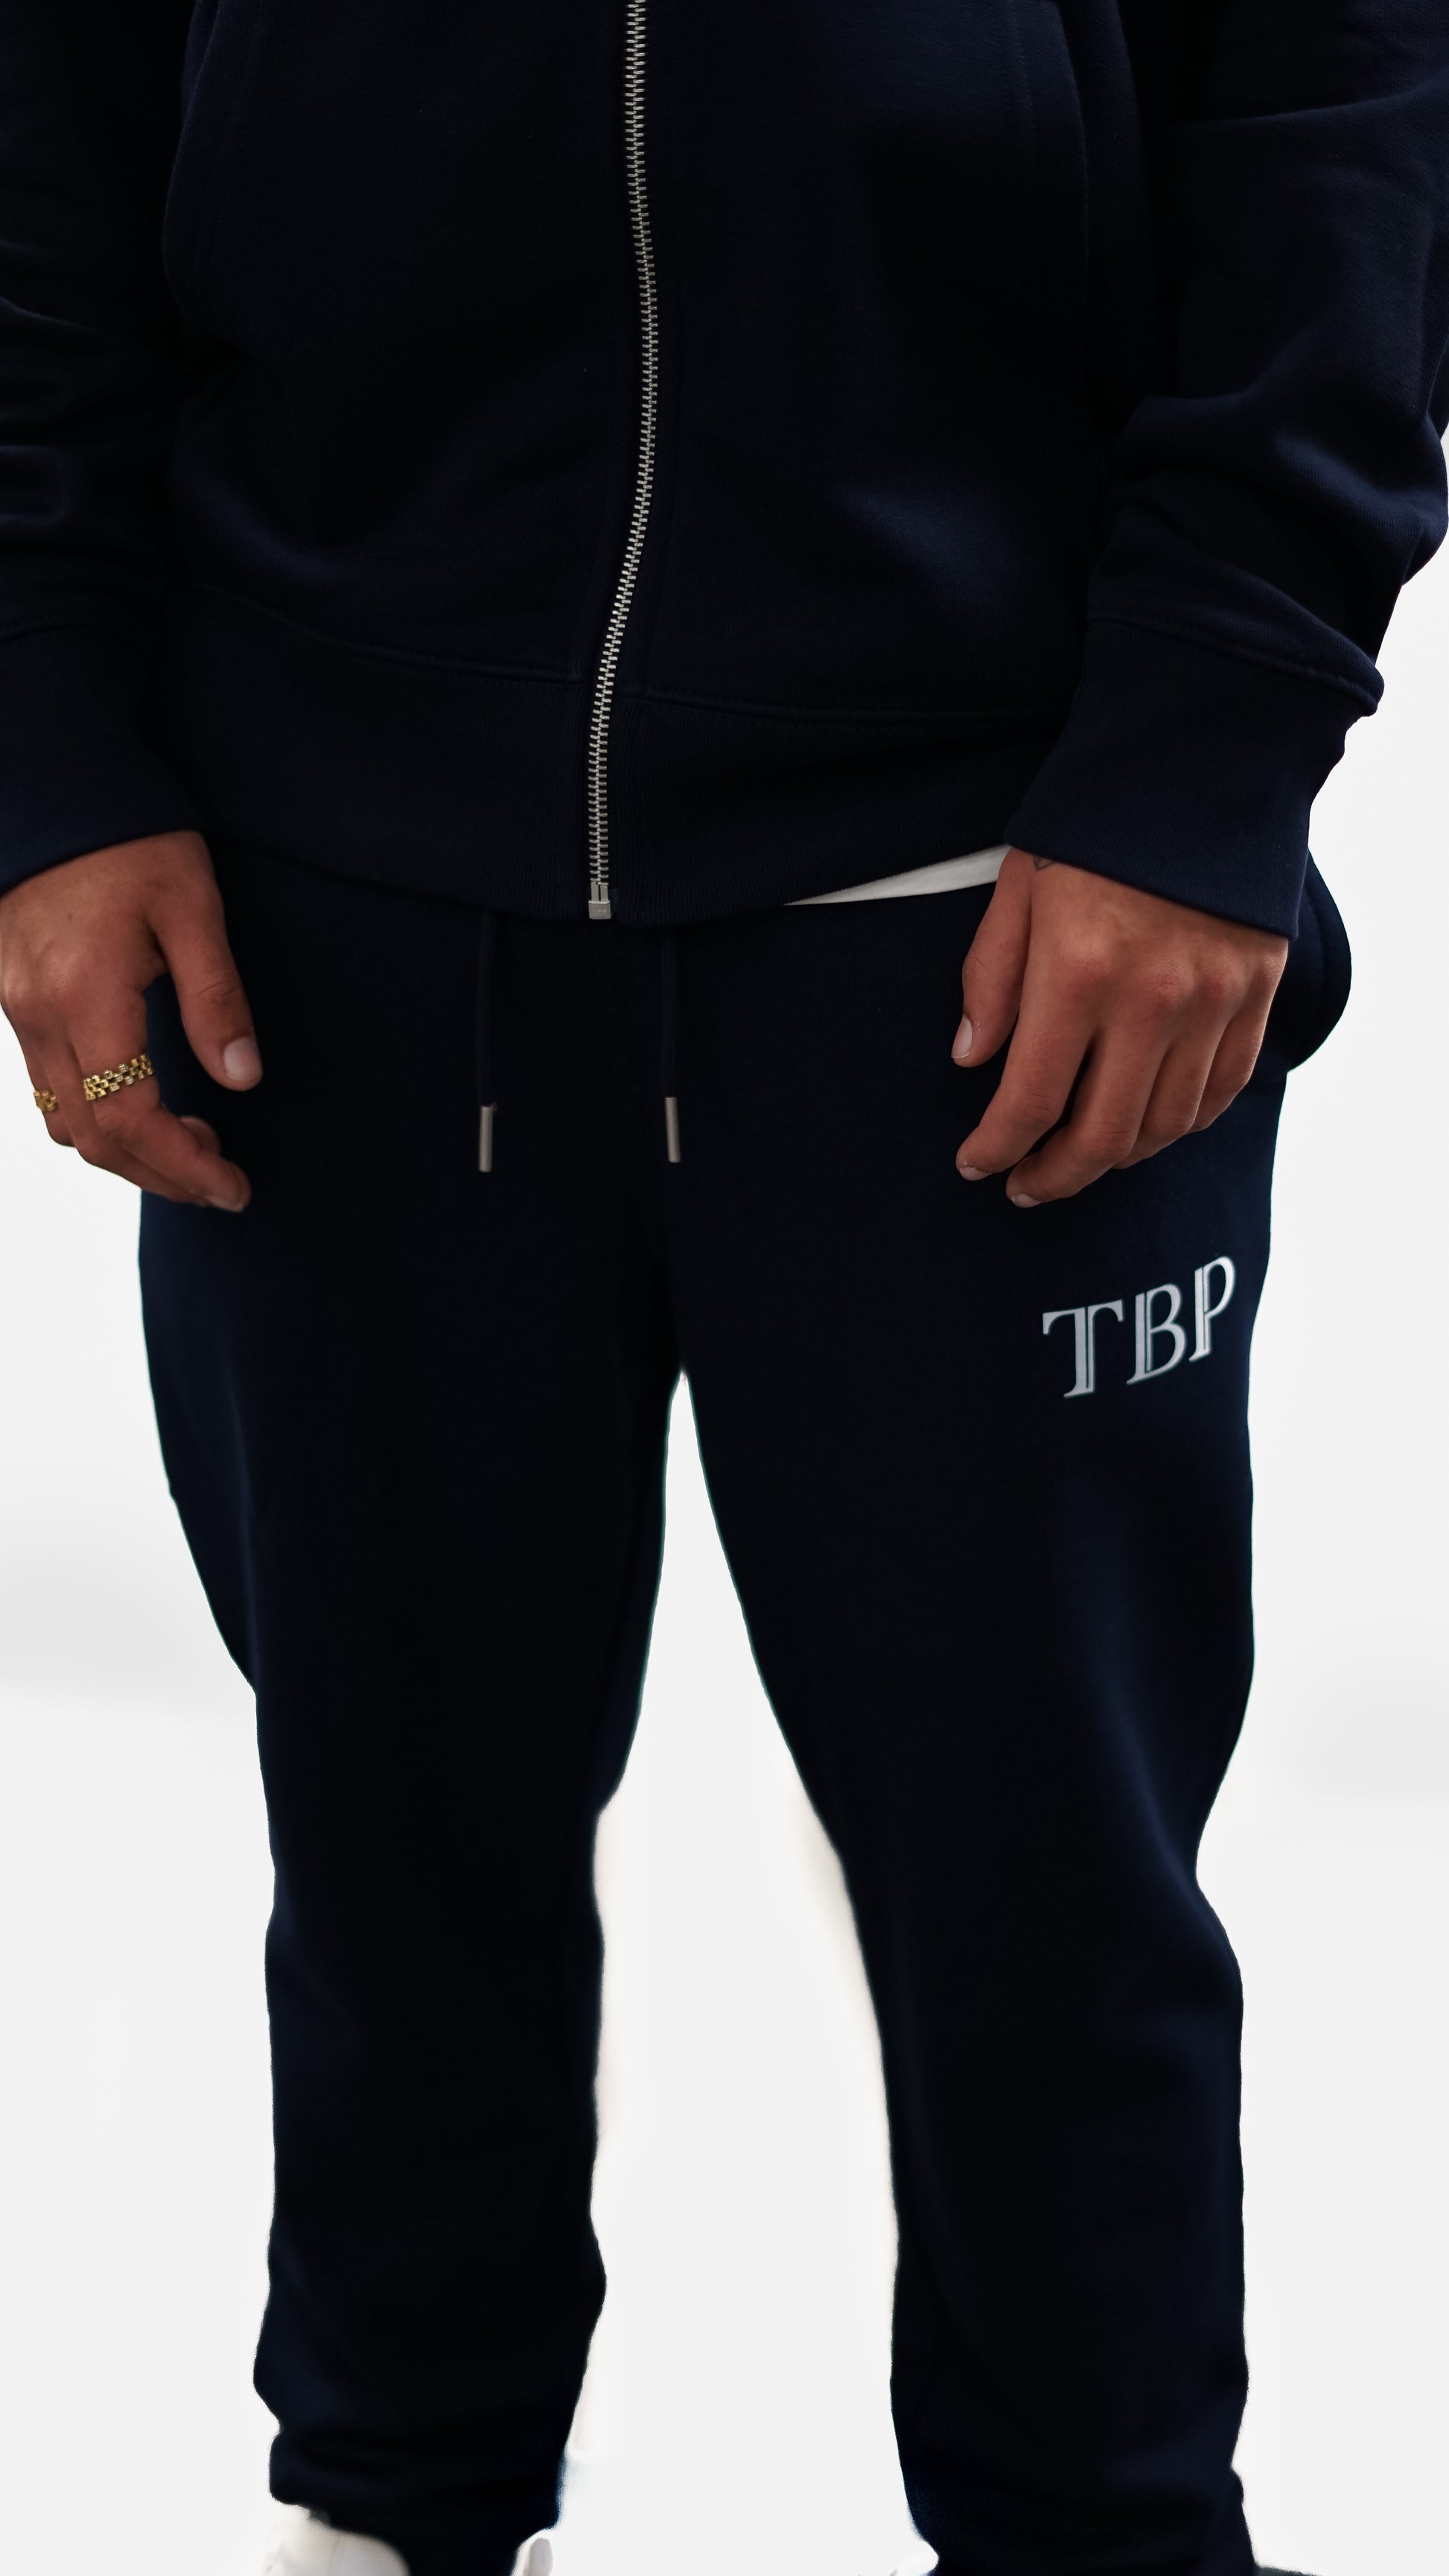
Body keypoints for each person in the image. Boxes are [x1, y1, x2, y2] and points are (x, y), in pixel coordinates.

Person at [1, 4, 1446, 2573]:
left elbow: (1350, 88)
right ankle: (393, 2508)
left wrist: (1206, 742)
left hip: (991, 889)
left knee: (1041, 1887)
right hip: (329, 877)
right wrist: (48, 754)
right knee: (391, 1820)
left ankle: (1102, 2533)